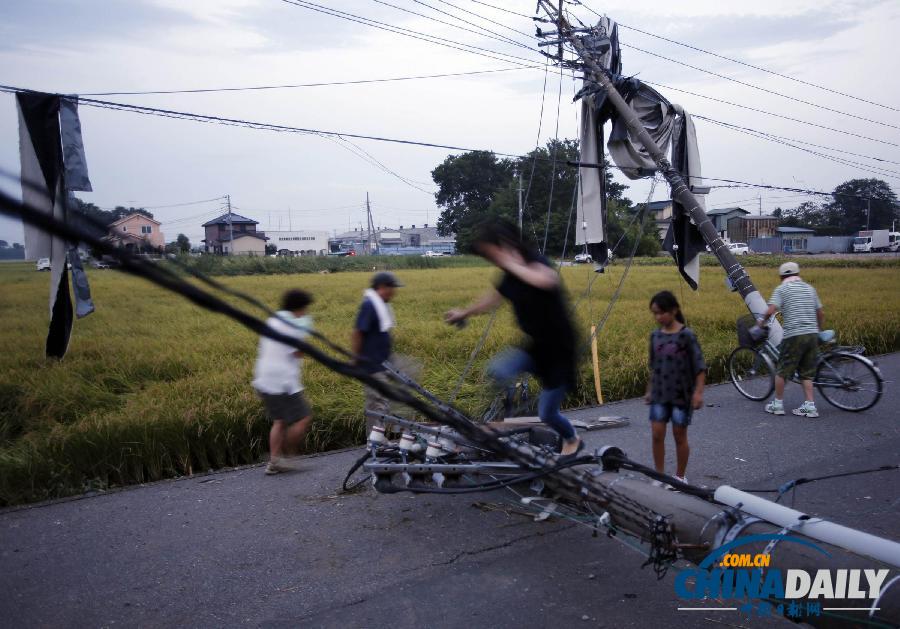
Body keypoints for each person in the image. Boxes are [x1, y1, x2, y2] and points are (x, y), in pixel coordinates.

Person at [445, 219, 582, 457]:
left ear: (505, 244)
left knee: (547, 413)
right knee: (498, 369)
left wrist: (510, 262)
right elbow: (491, 300)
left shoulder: (536, 262)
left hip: (561, 349)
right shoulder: (508, 277)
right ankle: (500, 421)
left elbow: (547, 280)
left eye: (492, 254)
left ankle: (572, 438)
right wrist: (464, 313)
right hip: (535, 347)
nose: (492, 260)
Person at [644, 290, 706, 484]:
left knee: (679, 436)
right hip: (659, 393)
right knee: (657, 434)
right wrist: (649, 389)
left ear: (673, 310)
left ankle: (680, 476)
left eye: (661, 312)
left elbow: (699, 367)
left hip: (682, 394)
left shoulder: (686, 335)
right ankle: (659, 475)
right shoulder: (655, 336)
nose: (658, 317)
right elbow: (654, 366)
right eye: (655, 313)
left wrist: (698, 393)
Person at [252, 289, 315, 475]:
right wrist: (304, 335)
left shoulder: (273, 321)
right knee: (304, 417)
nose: (305, 312)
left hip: (264, 379)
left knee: (279, 421)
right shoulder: (292, 327)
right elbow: (298, 353)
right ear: (298, 308)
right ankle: (286, 455)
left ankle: (274, 462)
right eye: (304, 309)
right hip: (283, 382)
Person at [761, 261, 824, 418]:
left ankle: (777, 404)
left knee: (782, 370)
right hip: (812, 334)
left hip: (794, 335)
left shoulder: (782, 289)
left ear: (781, 277)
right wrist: (818, 329)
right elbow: (820, 313)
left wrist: (761, 322)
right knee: (806, 372)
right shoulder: (809, 288)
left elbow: (770, 310)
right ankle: (810, 406)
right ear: (798, 274)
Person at [352, 271, 403, 435]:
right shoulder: (370, 305)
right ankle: (374, 442)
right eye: (392, 288)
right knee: (378, 404)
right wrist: (356, 359)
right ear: (382, 287)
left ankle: (393, 429)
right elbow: (358, 332)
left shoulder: (380, 305)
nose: (394, 292)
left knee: (399, 389)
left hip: (384, 362)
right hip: (372, 365)